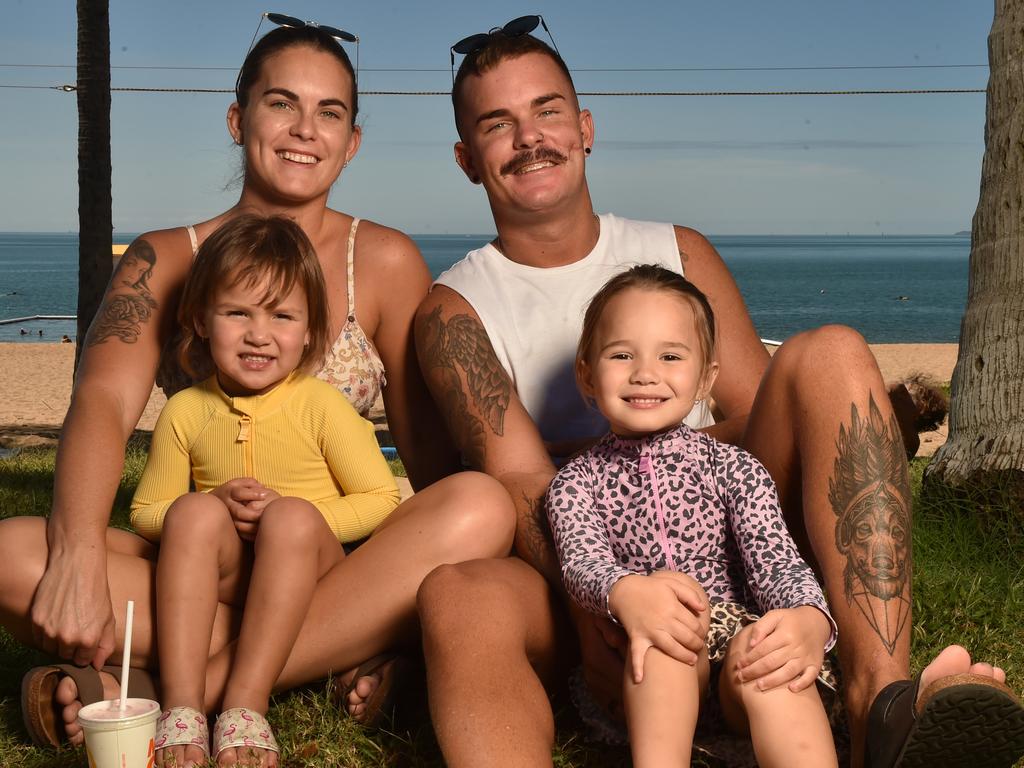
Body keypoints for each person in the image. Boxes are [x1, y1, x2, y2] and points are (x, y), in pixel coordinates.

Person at [414, 23, 1024, 768]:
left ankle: (880, 705)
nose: (530, 138)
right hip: (582, 566)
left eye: (547, 111)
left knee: (830, 352)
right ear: (466, 160)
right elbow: (520, 484)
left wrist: (667, 455)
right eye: (496, 124)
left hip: (726, 547)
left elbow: (763, 427)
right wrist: (606, 596)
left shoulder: (681, 250)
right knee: (458, 595)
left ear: (585, 127)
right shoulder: (455, 310)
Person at [1, 17, 514, 752]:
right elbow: (105, 403)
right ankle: (326, 659)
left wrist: (423, 583)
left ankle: (175, 694)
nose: (305, 129)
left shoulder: (386, 259)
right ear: (240, 118)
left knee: (478, 506)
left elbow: (427, 463)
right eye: (282, 103)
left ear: (353, 140)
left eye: (330, 111)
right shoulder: (163, 257)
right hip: (195, 571)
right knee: (13, 555)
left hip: (327, 568)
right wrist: (79, 554)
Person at [133, 215, 403, 766]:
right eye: (238, 313)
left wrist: (296, 512)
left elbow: (382, 499)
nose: (260, 334)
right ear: (201, 320)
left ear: (309, 331)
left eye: (282, 316)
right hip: (232, 582)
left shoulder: (321, 405)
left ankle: (244, 707)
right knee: (190, 513)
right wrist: (209, 503)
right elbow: (146, 511)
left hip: (316, 577)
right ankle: (181, 707)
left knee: (290, 520)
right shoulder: (186, 411)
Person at [546, 264, 839, 767]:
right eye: (621, 355)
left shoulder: (734, 469)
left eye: (670, 356)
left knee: (764, 656)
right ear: (587, 374)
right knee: (663, 635)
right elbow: (581, 562)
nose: (645, 373)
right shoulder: (576, 482)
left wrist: (810, 619)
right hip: (645, 667)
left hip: (733, 664)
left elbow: (776, 562)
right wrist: (625, 591)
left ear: (706, 378)